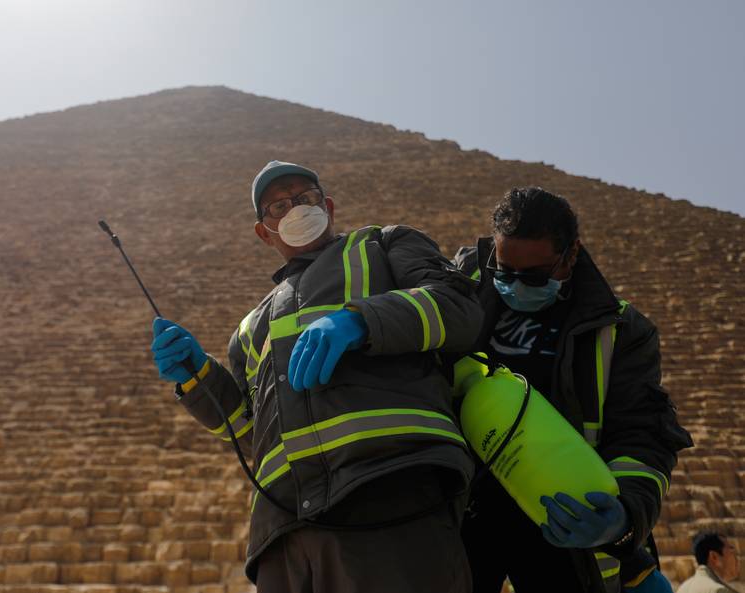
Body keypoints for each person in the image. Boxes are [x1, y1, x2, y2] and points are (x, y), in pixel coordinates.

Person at [150, 161, 484, 593]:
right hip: (284, 530)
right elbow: (254, 433)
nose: (294, 210)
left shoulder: (383, 246)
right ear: (263, 232)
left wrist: (361, 321)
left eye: (304, 198)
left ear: (327, 204)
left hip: (390, 492)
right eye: (277, 206)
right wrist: (197, 379)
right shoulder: (249, 330)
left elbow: (459, 310)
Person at [450, 187, 693, 593]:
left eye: (534, 276)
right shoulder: (459, 291)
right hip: (461, 511)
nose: (514, 285)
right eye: (505, 272)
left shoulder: (620, 331)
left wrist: (624, 517)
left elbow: (642, 432)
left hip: (560, 524)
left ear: (571, 254)